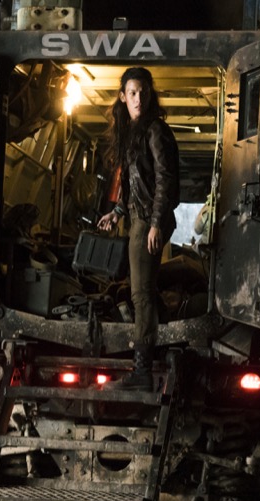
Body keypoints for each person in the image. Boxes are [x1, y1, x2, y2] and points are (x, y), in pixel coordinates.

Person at [97, 66, 179, 389]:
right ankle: (146, 358)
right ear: (123, 97)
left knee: (141, 293)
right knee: (141, 289)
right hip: (137, 216)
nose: (138, 98)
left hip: (148, 219)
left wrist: (156, 223)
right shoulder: (133, 131)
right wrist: (117, 212)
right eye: (132, 93)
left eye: (143, 92)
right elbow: (133, 184)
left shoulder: (155, 130)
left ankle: (142, 373)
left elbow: (164, 179)